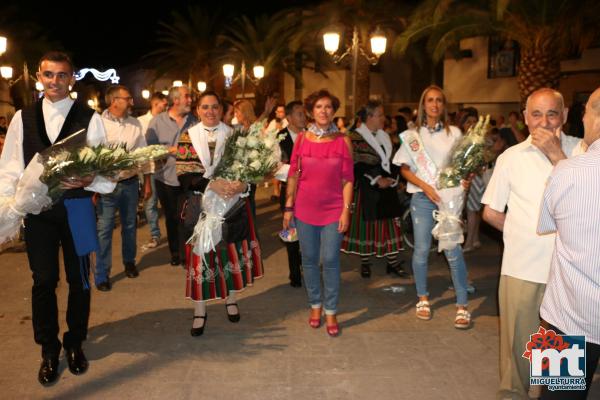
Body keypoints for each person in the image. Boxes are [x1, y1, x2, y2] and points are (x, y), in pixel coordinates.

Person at [0, 51, 116, 385]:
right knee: (44, 281)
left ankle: (75, 342)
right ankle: (49, 348)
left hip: (79, 209)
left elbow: (106, 172)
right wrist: (11, 208)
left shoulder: (89, 117)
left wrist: (89, 180)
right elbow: (9, 169)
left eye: (62, 75)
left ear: (72, 78)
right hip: (39, 213)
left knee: (80, 281)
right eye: (49, 75)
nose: (55, 81)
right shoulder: (23, 117)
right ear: (39, 75)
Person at [481, 88, 584, 399]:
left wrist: (557, 157)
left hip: (568, 268)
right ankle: (514, 392)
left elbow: (587, 203)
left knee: (559, 342)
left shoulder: (582, 153)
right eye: (536, 114)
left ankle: (552, 393)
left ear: (564, 116)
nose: (544, 122)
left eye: (552, 113)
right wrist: (521, 234)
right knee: (518, 341)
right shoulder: (510, 158)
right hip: (522, 264)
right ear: (525, 118)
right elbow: (491, 212)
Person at [535, 87, 600, 399]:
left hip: (568, 316)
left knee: (557, 395)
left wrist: (558, 159)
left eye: (585, 110)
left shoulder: (568, 170)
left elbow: (548, 223)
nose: (582, 117)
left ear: (596, 119)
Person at [184, 91, 263, 336]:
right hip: (202, 207)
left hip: (232, 206)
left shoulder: (235, 135)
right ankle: (200, 309)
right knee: (202, 257)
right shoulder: (188, 137)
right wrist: (210, 185)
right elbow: (184, 174)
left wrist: (243, 185)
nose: (210, 111)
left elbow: (251, 171)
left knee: (230, 254)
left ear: (222, 109)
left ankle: (231, 299)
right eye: (205, 107)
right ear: (198, 110)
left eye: (215, 107)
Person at [392, 85, 471, 329]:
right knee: (421, 250)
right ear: (423, 105)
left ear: (443, 105)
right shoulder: (414, 134)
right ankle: (423, 298)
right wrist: (425, 187)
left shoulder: (455, 133)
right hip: (422, 199)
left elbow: (463, 164)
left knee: (453, 250)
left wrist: (465, 179)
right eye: (430, 100)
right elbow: (404, 169)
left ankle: (462, 304)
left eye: (439, 100)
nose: (434, 105)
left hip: (448, 199)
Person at [283, 89, 353, 337]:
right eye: (319, 107)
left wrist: (346, 211)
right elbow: (293, 174)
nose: (324, 111)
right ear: (311, 112)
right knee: (310, 259)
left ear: (334, 111)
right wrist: (288, 207)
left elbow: (348, 179)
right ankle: (315, 305)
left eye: (329, 107)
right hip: (304, 208)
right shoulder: (302, 140)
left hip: (334, 209)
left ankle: (331, 309)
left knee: (331, 260)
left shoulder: (343, 140)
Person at [95, 85, 152, 291]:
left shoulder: (135, 124)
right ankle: (102, 274)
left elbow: (144, 153)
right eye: (128, 98)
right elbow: (90, 155)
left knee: (129, 226)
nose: (132, 102)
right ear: (114, 101)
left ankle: (129, 262)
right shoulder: (98, 124)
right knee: (104, 230)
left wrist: (146, 181)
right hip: (106, 186)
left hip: (129, 184)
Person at [341, 100, 406, 279]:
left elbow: (393, 161)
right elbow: (355, 164)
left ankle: (392, 262)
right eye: (380, 115)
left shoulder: (385, 136)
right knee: (367, 227)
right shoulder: (354, 137)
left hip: (387, 187)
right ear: (369, 117)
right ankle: (365, 262)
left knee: (390, 226)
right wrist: (376, 179)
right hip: (367, 188)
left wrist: (393, 178)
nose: (383, 118)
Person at [146, 86, 196, 266]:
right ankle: (175, 252)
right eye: (187, 96)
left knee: (188, 217)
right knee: (172, 217)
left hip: (190, 177)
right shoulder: (157, 122)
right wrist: (173, 150)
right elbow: (150, 150)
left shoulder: (194, 121)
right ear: (176, 100)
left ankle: (186, 254)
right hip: (165, 178)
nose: (191, 99)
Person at [276, 100, 306, 287]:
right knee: (292, 233)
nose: (304, 117)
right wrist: (296, 171)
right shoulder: (280, 137)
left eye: (304, 113)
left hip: (311, 192)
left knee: (310, 232)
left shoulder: (312, 135)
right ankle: (295, 272)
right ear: (289, 117)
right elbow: (275, 168)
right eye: (299, 114)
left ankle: (306, 264)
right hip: (290, 191)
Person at [138, 92, 167, 248]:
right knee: (150, 203)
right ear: (155, 104)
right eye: (164, 104)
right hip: (148, 167)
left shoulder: (166, 120)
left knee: (168, 202)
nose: (166, 107)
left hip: (165, 167)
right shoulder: (141, 121)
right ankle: (155, 234)